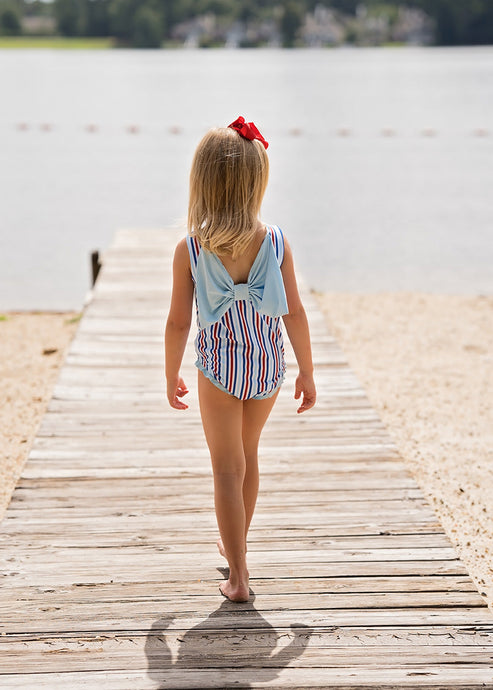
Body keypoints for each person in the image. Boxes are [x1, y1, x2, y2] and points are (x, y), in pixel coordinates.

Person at [165, 116, 316, 602]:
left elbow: (178, 323)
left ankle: (239, 576)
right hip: (267, 367)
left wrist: (171, 374)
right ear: (256, 183)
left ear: (202, 183)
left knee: (225, 469)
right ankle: (238, 552)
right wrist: (307, 372)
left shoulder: (191, 249)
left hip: (218, 371)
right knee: (247, 459)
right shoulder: (274, 242)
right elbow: (293, 313)